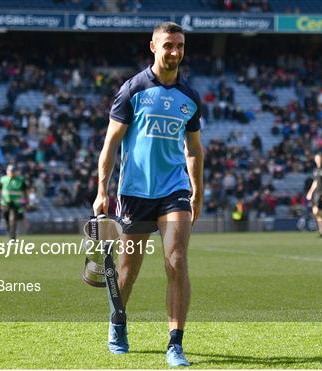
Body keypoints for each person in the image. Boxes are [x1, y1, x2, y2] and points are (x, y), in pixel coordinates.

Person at [92, 22, 203, 367]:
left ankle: (175, 343)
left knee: (177, 260)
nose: (175, 52)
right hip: (135, 191)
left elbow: (194, 149)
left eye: (180, 46)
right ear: (153, 47)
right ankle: (117, 322)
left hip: (174, 189)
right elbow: (111, 143)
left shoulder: (190, 97)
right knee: (127, 271)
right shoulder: (132, 90)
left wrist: (196, 191)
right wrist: (101, 191)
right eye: (168, 45)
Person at [0, 165, 28, 240]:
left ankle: (12, 238)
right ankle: (10, 234)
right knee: (7, 220)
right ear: (7, 171)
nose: (11, 173)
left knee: (13, 220)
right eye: (10, 171)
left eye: (13, 171)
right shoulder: (3, 179)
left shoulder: (20, 181)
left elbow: (25, 192)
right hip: (5, 204)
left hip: (15, 204)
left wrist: (26, 201)